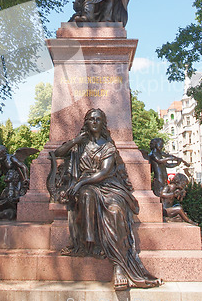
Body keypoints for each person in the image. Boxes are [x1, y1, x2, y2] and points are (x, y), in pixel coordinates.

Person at [52, 108, 162, 291]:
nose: (94, 122)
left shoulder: (108, 146)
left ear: (103, 123)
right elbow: (58, 153)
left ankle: (119, 266)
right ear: (86, 122)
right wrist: (75, 141)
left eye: (98, 119)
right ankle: (89, 243)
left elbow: (104, 172)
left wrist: (80, 184)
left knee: (116, 209)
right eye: (91, 119)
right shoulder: (80, 144)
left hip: (108, 184)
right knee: (87, 196)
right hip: (87, 186)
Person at [0, 144, 38, 221]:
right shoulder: (1, 161)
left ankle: (17, 210)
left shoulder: (11, 158)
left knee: (15, 196)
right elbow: (0, 170)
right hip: (10, 180)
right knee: (7, 195)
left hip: (17, 179)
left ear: (4, 153)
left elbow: (23, 167)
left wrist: (26, 179)